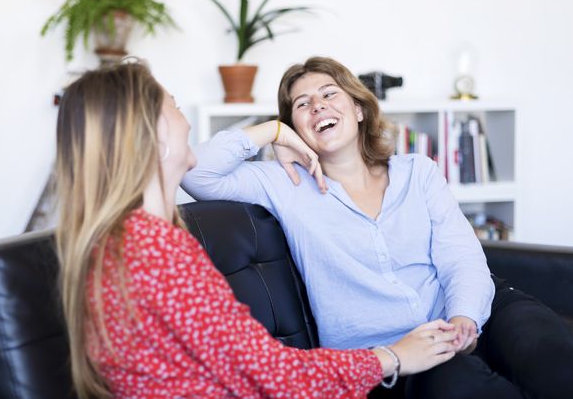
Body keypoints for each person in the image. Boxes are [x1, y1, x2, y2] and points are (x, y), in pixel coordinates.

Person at [54, 59, 458, 399]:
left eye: (330, 94)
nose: (184, 117)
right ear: (153, 135)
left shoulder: (131, 242)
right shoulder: (154, 250)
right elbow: (274, 374)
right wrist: (394, 357)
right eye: (173, 106)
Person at [181, 56, 573, 399]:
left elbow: (461, 255)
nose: (318, 106)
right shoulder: (283, 183)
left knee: (552, 357)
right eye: (302, 104)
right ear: (297, 128)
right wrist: (274, 131)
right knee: (461, 384)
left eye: (329, 94)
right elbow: (198, 173)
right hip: (396, 353)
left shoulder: (417, 172)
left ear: (359, 109)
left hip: (475, 310)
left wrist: (464, 317)